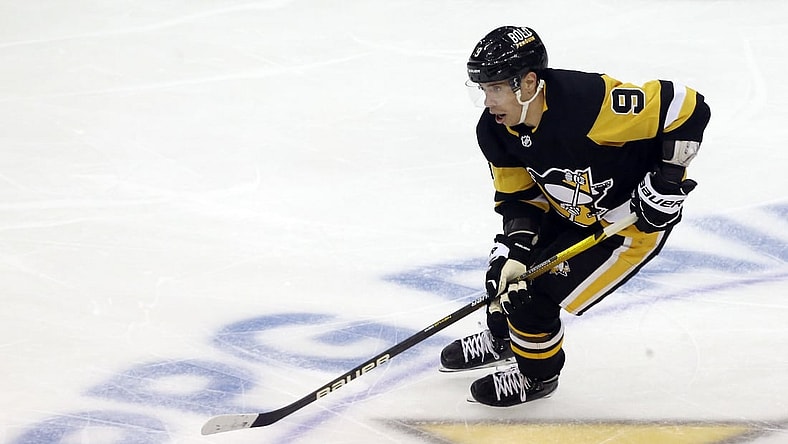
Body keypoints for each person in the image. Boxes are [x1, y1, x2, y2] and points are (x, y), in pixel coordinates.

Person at [439, 25, 710, 407]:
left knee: (535, 301)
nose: (488, 102)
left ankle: (538, 376)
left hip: (627, 227)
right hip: (569, 211)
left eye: (496, 88)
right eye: (483, 90)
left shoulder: (589, 104)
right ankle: (505, 337)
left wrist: (667, 179)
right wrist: (516, 250)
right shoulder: (495, 131)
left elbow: (687, 106)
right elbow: (520, 198)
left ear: (528, 83)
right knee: (504, 278)